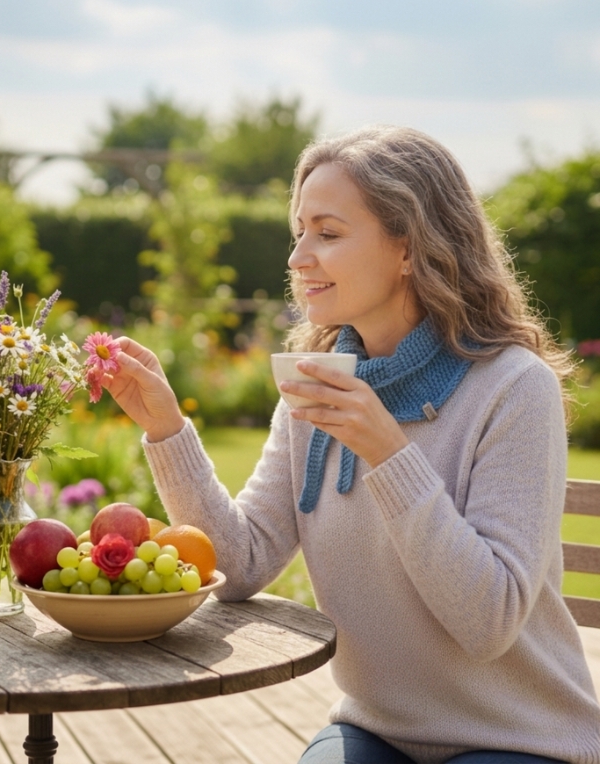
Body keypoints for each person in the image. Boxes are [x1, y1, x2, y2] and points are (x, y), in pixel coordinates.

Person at [101, 125, 600, 764]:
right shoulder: (321, 382)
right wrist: (166, 428)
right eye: (299, 232)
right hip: (376, 729)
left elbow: (489, 624)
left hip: (519, 738)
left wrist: (390, 455)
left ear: (410, 249)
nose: (298, 257)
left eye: (328, 234)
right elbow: (240, 563)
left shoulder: (511, 388)